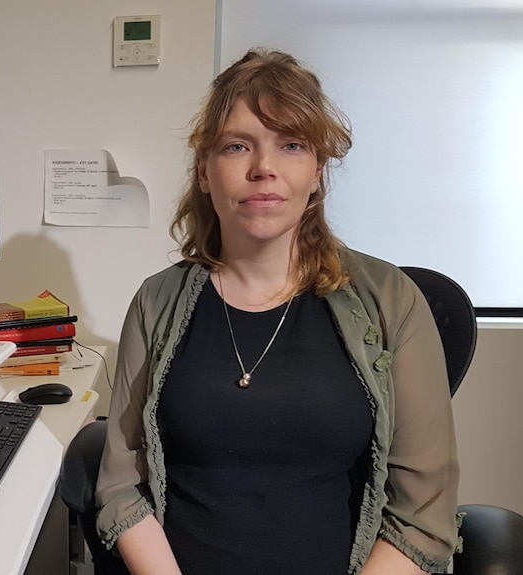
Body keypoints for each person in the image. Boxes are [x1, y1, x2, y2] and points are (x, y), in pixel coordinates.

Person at [94, 48, 459, 575]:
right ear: (203, 171)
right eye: (237, 146)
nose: (263, 169)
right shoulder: (156, 302)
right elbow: (120, 485)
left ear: (317, 172)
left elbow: (424, 517)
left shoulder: (391, 301)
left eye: (291, 145)